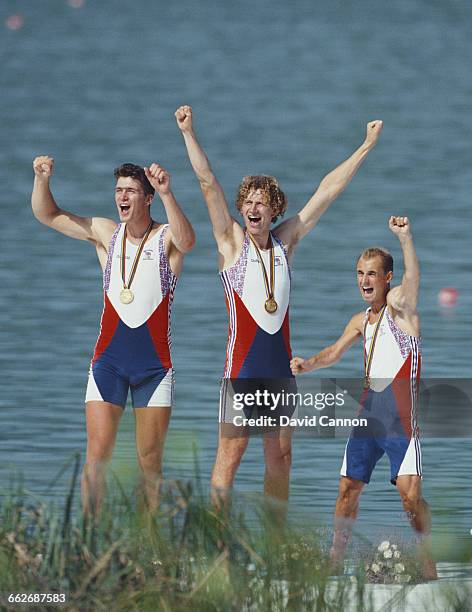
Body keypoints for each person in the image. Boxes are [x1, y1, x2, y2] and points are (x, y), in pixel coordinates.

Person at [175, 104, 383, 506]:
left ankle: (275, 549)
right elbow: (207, 183)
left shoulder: (286, 243)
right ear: (241, 209)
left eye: (262, 203)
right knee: (230, 457)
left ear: (275, 210)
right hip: (243, 368)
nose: (253, 209)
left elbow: (327, 191)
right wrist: (188, 133)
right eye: (248, 203)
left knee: (281, 459)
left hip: (280, 371)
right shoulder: (230, 243)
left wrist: (366, 145)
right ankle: (216, 544)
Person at [31, 156, 195, 514]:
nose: (122, 196)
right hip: (108, 363)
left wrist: (168, 193)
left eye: (131, 191)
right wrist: (41, 181)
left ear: (147, 198)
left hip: (154, 368)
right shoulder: (106, 232)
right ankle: (92, 539)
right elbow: (48, 215)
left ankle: (148, 543)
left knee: (149, 462)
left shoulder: (165, 237)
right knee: (97, 456)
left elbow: (189, 241)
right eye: (118, 190)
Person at [291, 216, 437, 579]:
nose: (364, 281)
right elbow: (335, 352)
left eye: (372, 274)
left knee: (410, 496)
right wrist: (306, 365)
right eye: (360, 274)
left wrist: (405, 238)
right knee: (346, 491)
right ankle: (334, 561)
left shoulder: (401, 309)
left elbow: (414, 282)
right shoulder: (361, 320)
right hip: (368, 413)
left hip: (401, 416)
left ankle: (428, 557)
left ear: (388, 278)